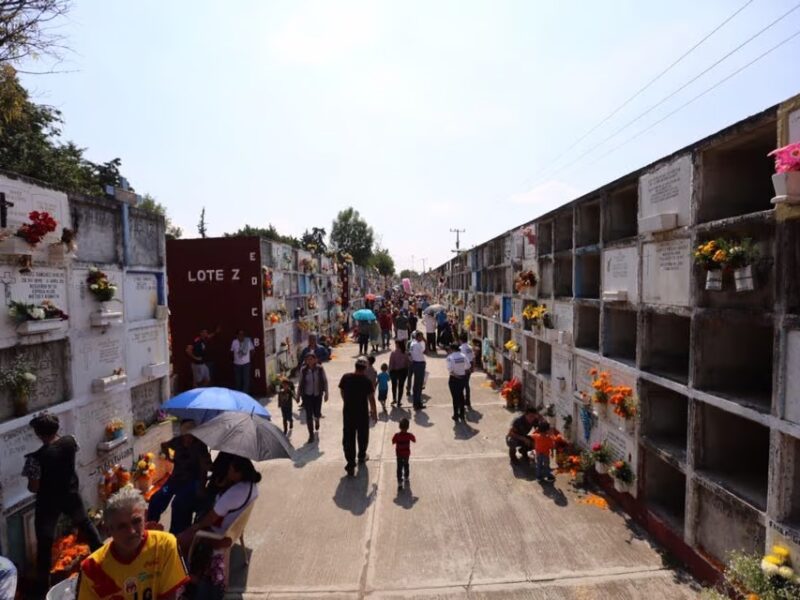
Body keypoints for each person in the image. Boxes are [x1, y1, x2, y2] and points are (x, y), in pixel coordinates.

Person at [22, 413, 104, 594]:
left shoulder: (35, 459)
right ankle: (105, 561)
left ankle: (42, 590)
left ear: (38, 434)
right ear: (57, 428)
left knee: (44, 545)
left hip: (48, 503)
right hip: (70, 496)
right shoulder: (70, 442)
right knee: (87, 526)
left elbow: (34, 488)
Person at [77, 487, 189, 600]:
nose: (131, 531)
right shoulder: (92, 568)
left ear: (145, 517)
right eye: (122, 526)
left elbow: (170, 596)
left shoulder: (165, 545)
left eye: (136, 521)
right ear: (108, 530)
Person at [179, 456, 261, 597]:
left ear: (239, 473)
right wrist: (227, 482)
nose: (228, 471)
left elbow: (211, 518)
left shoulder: (233, 494)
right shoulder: (250, 487)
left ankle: (187, 576)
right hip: (232, 528)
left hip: (218, 533)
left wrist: (196, 526)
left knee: (180, 540)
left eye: (230, 470)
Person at [147, 420, 212, 534]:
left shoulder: (200, 445)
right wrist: (168, 456)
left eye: (191, 435)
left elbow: (205, 469)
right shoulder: (177, 441)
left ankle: (176, 537)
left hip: (192, 482)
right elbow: (164, 445)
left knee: (178, 504)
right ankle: (151, 529)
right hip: (175, 480)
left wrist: (202, 486)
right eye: (186, 435)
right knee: (157, 498)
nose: (188, 438)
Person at [338, 358, 378, 476]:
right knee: (362, 436)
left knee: (348, 438)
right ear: (365, 369)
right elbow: (371, 398)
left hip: (348, 413)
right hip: (362, 414)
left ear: (355, 367)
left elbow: (342, 391)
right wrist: (374, 413)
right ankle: (361, 456)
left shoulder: (346, 377)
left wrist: (346, 400)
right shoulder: (366, 381)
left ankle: (350, 464)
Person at [296, 352, 329, 444]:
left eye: (311, 359)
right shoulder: (304, 370)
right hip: (307, 395)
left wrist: (326, 393)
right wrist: (298, 395)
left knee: (317, 412)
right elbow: (300, 383)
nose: (309, 361)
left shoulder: (320, 369)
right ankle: (311, 435)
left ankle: (317, 420)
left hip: (318, 395)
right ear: (305, 361)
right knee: (309, 415)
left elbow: (325, 381)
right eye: (307, 359)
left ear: (315, 360)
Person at [446, 343, 469, 423]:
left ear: (452, 349)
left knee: (455, 398)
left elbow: (450, 370)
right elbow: (468, 367)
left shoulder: (450, 357)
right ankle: (462, 414)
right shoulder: (463, 356)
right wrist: (462, 373)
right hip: (462, 378)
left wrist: (457, 376)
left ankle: (456, 415)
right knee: (461, 396)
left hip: (454, 379)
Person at [392, 418, 416, 491]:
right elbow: (414, 440)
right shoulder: (409, 435)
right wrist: (411, 435)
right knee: (406, 465)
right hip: (406, 454)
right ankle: (406, 477)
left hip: (399, 454)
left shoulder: (397, 435)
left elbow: (393, 441)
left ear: (399, 427)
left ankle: (399, 482)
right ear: (408, 427)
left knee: (399, 468)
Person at [230, 329, 253, 393]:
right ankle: (238, 394)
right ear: (237, 335)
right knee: (238, 381)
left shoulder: (247, 341)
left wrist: (248, 359)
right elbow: (231, 351)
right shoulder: (234, 342)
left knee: (246, 380)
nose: (241, 336)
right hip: (237, 364)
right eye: (240, 334)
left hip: (246, 364)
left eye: (243, 334)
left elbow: (252, 351)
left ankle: (245, 395)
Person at [388, 340, 409, 408]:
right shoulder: (405, 353)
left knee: (394, 386)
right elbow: (407, 364)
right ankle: (399, 401)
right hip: (402, 372)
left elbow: (391, 364)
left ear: (398, 345)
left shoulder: (393, 353)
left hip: (394, 372)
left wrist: (389, 372)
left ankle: (394, 399)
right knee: (401, 386)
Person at [409, 332, 427, 410]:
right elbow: (425, 351)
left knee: (416, 385)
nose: (422, 338)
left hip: (415, 363)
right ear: (418, 337)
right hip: (419, 364)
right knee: (419, 385)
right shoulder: (419, 344)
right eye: (421, 336)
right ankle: (417, 403)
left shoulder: (412, 343)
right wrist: (425, 341)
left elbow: (410, 354)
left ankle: (416, 402)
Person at [459, 332, 475, 410]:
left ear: (460, 340)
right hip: (469, 368)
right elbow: (472, 358)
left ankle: (463, 401)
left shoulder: (461, 348)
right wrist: (472, 368)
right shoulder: (470, 347)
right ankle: (467, 400)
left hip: (463, 369)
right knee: (466, 385)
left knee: (462, 386)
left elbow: (461, 359)